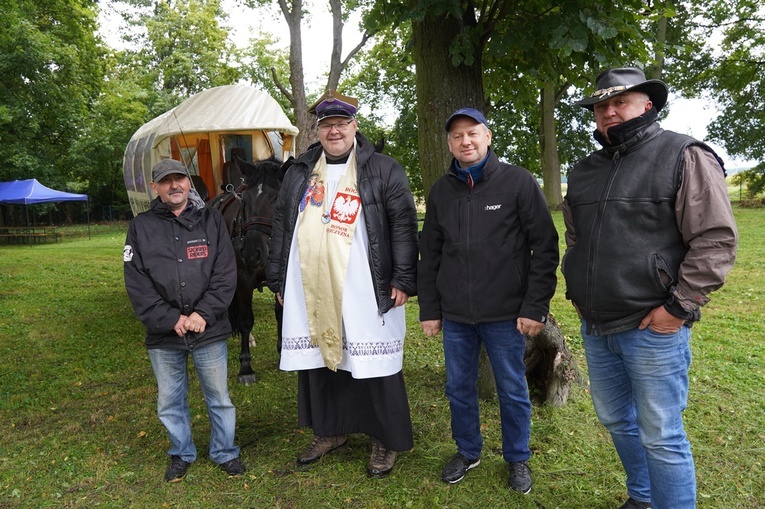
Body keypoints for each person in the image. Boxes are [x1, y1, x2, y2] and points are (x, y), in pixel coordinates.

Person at [562, 67, 738, 509]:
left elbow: (715, 239)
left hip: (652, 328)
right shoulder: (584, 171)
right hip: (597, 326)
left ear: (648, 104)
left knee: (661, 433)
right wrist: (579, 292)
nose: (610, 112)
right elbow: (577, 237)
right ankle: (642, 498)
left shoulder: (683, 154)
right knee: (616, 420)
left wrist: (678, 308)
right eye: (601, 106)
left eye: (620, 101)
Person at [266, 90, 419, 478]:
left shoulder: (383, 169)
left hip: (365, 283)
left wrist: (402, 278)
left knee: (373, 360)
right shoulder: (300, 171)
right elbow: (283, 225)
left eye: (341, 124)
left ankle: (384, 438)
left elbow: (403, 226)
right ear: (317, 130)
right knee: (320, 360)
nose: (334, 131)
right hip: (309, 282)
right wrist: (277, 277)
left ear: (355, 127)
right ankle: (330, 430)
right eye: (326, 125)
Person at [417, 107, 559, 494]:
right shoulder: (441, 190)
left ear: (488, 137)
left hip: (506, 314)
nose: (466, 141)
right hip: (457, 317)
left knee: (512, 389)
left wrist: (534, 307)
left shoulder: (517, 182)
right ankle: (468, 451)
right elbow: (429, 254)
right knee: (458, 388)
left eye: (473, 133)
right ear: (449, 143)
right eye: (458, 136)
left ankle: (517, 458)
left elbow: (545, 247)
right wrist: (430, 309)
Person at [124, 159, 246, 482]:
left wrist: (202, 314)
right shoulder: (140, 228)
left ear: (189, 182)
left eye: (179, 178)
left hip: (209, 330)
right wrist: (170, 318)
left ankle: (225, 451)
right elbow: (137, 284)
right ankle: (181, 452)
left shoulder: (212, 220)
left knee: (219, 397)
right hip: (165, 336)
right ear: (155, 188)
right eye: (166, 181)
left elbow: (225, 273)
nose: (174, 185)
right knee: (169, 401)